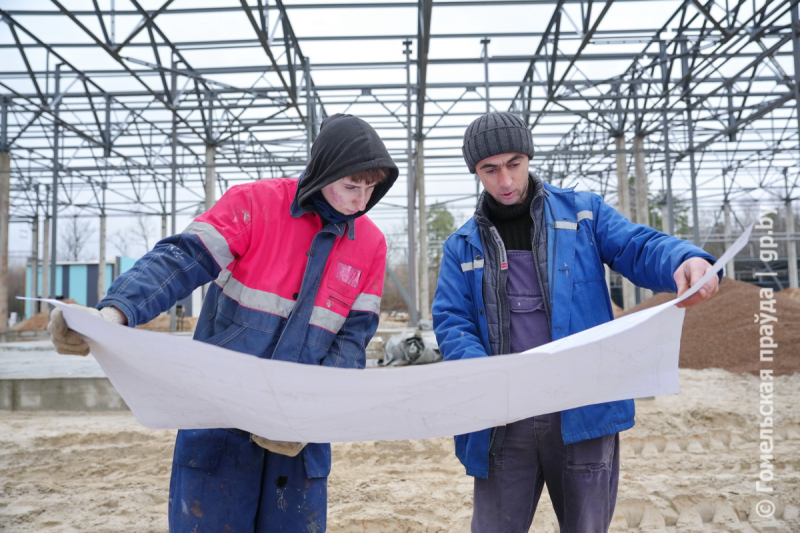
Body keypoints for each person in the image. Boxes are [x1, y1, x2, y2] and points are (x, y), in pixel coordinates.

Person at [48, 113, 398, 532]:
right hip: (218, 419)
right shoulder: (255, 204)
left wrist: (311, 415)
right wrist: (114, 313)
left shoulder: (371, 245)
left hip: (297, 440)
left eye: (371, 188)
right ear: (324, 171)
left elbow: (352, 340)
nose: (361, 201)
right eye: (351, 186)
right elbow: (181, 260)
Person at [431, 111, 720, 533]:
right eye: (489, 170)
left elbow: (637, 246)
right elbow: (452, 319)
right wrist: (483, 373)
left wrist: (684, 259)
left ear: (528, 158)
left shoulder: (583, 215)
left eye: (514, 164)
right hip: (503, 418)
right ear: (476, 172)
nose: (505, 180)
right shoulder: (462, 246)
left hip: (582, 405)